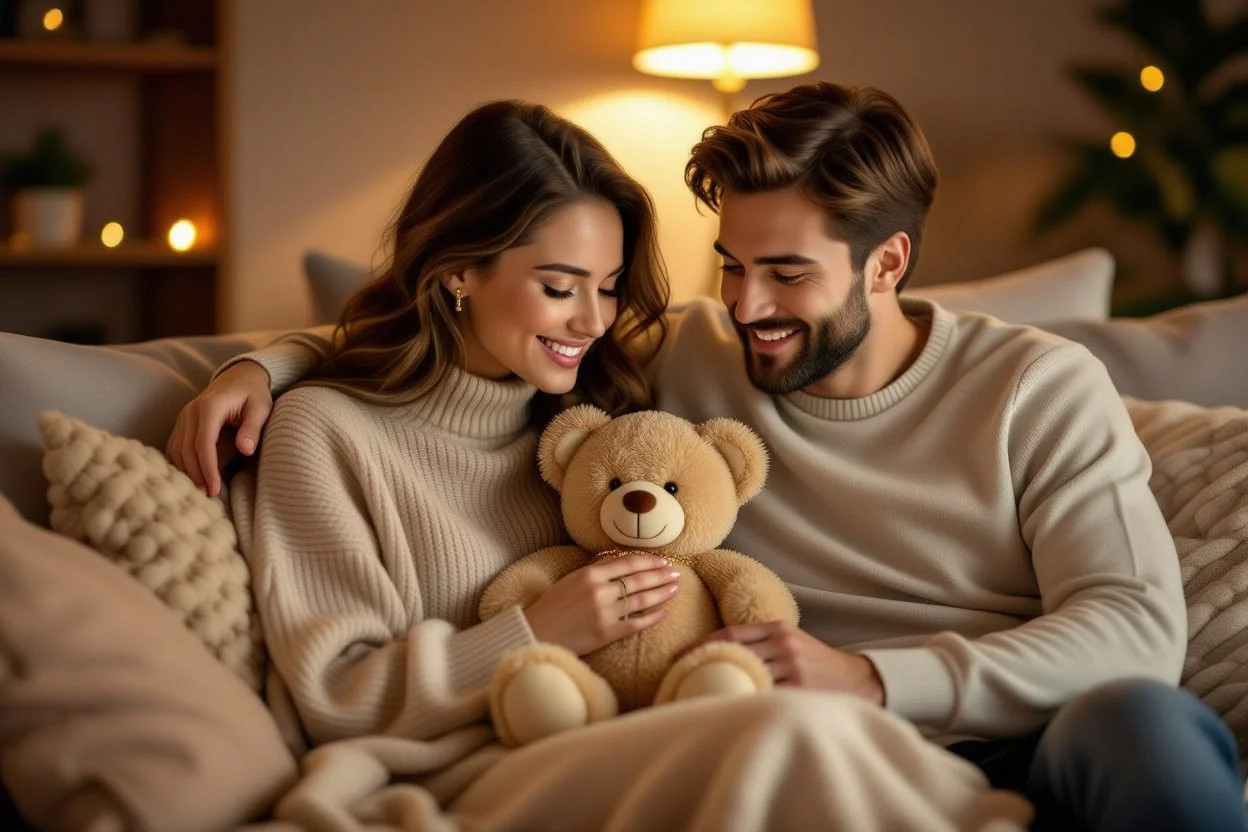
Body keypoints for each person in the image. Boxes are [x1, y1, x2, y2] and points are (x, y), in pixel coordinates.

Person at [169, 98, 1028, 830]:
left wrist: (266, 361)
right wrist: (536, 633)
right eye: (559, 284)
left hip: (633, 734)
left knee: (798, 729)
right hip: (472, 769)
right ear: (459, 270)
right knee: (789, 736)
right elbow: (336, 695)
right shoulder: (323, 434)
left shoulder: (595, 409)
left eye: (610, 285)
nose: (592, 321)